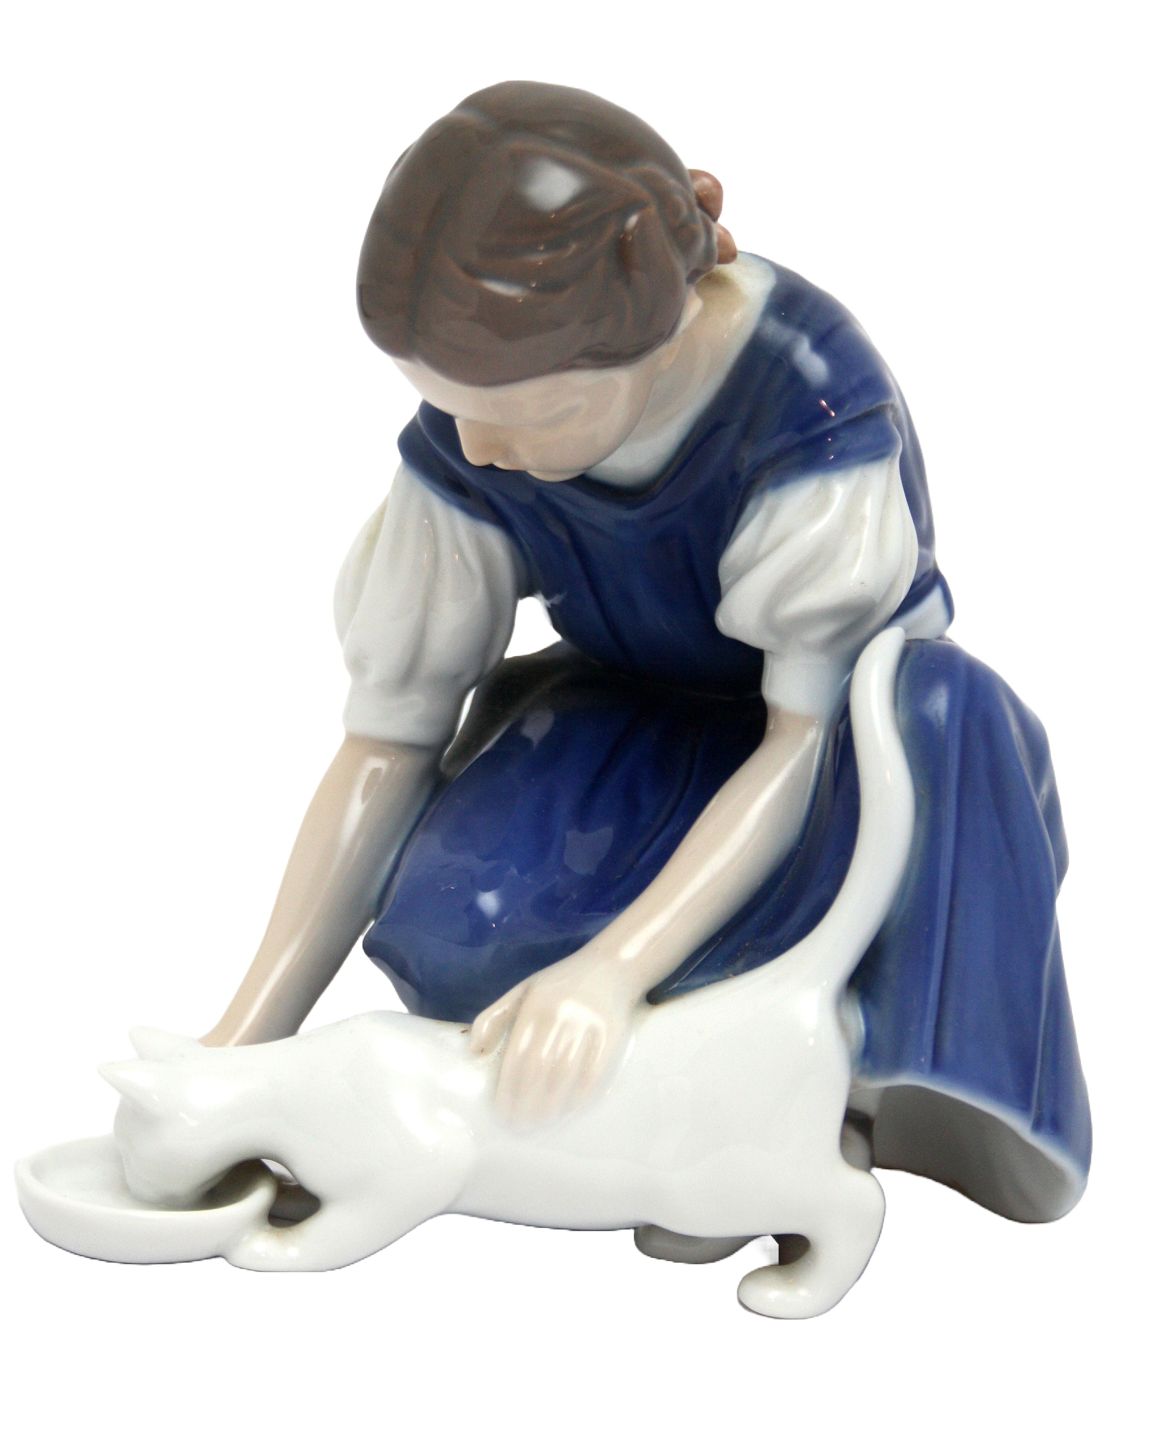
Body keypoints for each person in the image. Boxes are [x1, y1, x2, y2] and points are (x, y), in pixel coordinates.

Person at [204, 81, 1090, 1239]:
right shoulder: (475, 436)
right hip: (629, 714)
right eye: (449, 407)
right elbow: (386, 740)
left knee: (903, 740)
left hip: (838, 756)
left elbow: (797, 736)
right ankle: (644, 1110)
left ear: (660, 331)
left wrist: (610, 969)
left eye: (530, 413)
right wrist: (239, 1053)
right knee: (461, 932)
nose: (481, 447)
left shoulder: (806, 407)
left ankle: (779, 1112)